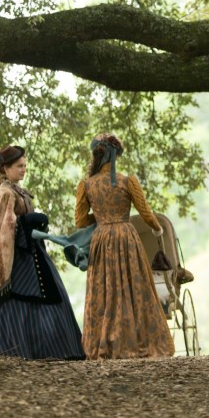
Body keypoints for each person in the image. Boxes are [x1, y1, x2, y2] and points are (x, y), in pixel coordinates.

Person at [0, 144, 85, 359]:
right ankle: (16, 349)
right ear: (5, 169)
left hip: (31, 255)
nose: (23, 169)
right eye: (18, 166)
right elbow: (4, 231)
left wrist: (35, 224)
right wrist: (26, 222)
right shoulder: (5, 193)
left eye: (24, 165)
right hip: (15, 260)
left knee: (51, 295)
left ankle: (50, 349)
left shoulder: (17, 190)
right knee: (17, 302)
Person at [74, 133, 175, 360]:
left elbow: (80, 221)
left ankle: (106, 344)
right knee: (134, 289)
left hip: (102, 240)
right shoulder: (127, 181)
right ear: (115, 155)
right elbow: (146, 213)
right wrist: (157, 229)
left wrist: (101, 218)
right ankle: (139, 341)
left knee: (105, 289)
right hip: (126, 238)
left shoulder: (86, 184)